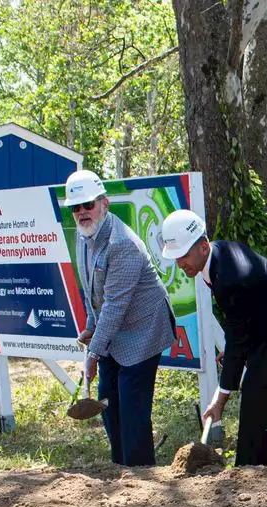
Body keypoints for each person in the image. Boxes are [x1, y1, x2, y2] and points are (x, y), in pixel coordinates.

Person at [158, 209, 267, 467]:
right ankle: (259, 466)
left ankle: (251, 470)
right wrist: (241, 349)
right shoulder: (219, 254)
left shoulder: (230, 276)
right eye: (176, 257)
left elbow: (237, 337)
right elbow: (246, 319)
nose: (180, 264)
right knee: (258, 389)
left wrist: (219, 399)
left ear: (203, 246)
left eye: (183, 256)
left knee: (257, 390)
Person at [68, 169, 175, 467]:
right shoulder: (83, 236)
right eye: (76, 207)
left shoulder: (122, 243)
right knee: (109, 406)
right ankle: (121, 471)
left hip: (144, 330)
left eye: (88, 205)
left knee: (132, 410)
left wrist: (93, 355)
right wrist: (91, 329)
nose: (82, 212)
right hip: (114, 332)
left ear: (105, 204)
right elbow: (92, 290)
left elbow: (115, 305)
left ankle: (142, 479)